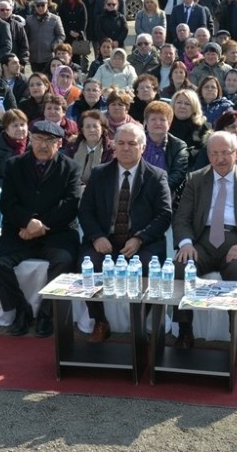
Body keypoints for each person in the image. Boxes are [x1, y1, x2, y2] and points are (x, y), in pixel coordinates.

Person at [171, 131, 237, 367]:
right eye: (214, 153)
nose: (220, 159)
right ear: (208, 154)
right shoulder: (196, 178)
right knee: (179, 267)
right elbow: (182, 217)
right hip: (202, 241)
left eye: (225, 153)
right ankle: (185, 331)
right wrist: (186, 243)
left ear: (236, 153)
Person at [77, 123, 172, 341]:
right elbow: (86, 210)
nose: (125, 148)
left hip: (142, 243)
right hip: (105, 240)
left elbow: (164, 215)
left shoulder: (156, 176)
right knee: (88, 263)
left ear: (143, 146)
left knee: (150, 267)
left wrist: (140, 238)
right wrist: (96, 236)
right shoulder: (99, 173)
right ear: (113, 145)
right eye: (120, 143)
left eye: (132, 144)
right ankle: (100, 321)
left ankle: (139, 324)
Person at [0, 121, 82, 338]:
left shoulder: (71, 167)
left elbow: (71, 203)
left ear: (59, 144)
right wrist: (27, 222)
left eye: (50, 141)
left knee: (65, 261)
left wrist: (40, 226)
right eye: (38, 139)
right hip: (20, 231)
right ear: (30, 140)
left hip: (57, 232)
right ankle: (22, 310)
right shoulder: (13, 165)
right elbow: (8, 202)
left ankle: (47, 315)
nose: (43, 145)